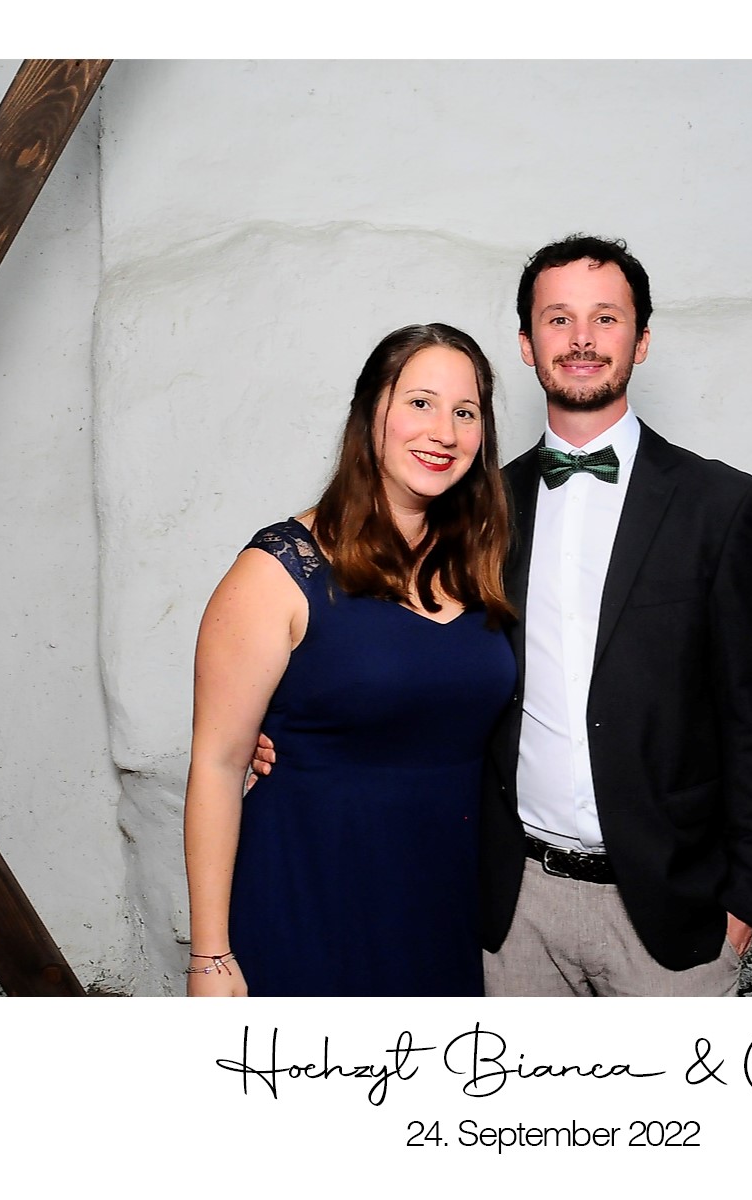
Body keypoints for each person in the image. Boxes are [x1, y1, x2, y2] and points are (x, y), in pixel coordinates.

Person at [477, 234, 752, 995]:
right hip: (513, 908)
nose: (582, 338)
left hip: (671, 911)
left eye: (606, 318)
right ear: (527, 344)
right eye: (558, 318)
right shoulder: (480, 509)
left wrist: (749, 898)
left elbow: (749, 709)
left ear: (641, 341)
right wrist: (292, 730)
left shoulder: (720, 506)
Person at [182, 323, 516, 997]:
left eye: (466, 412)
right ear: (371, 414)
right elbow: (217, 765)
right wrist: (209, 957)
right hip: (307, 903)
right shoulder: (278, 569)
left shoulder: (482, 563)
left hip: (441, 909)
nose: (444, 432)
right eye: (420, 403)